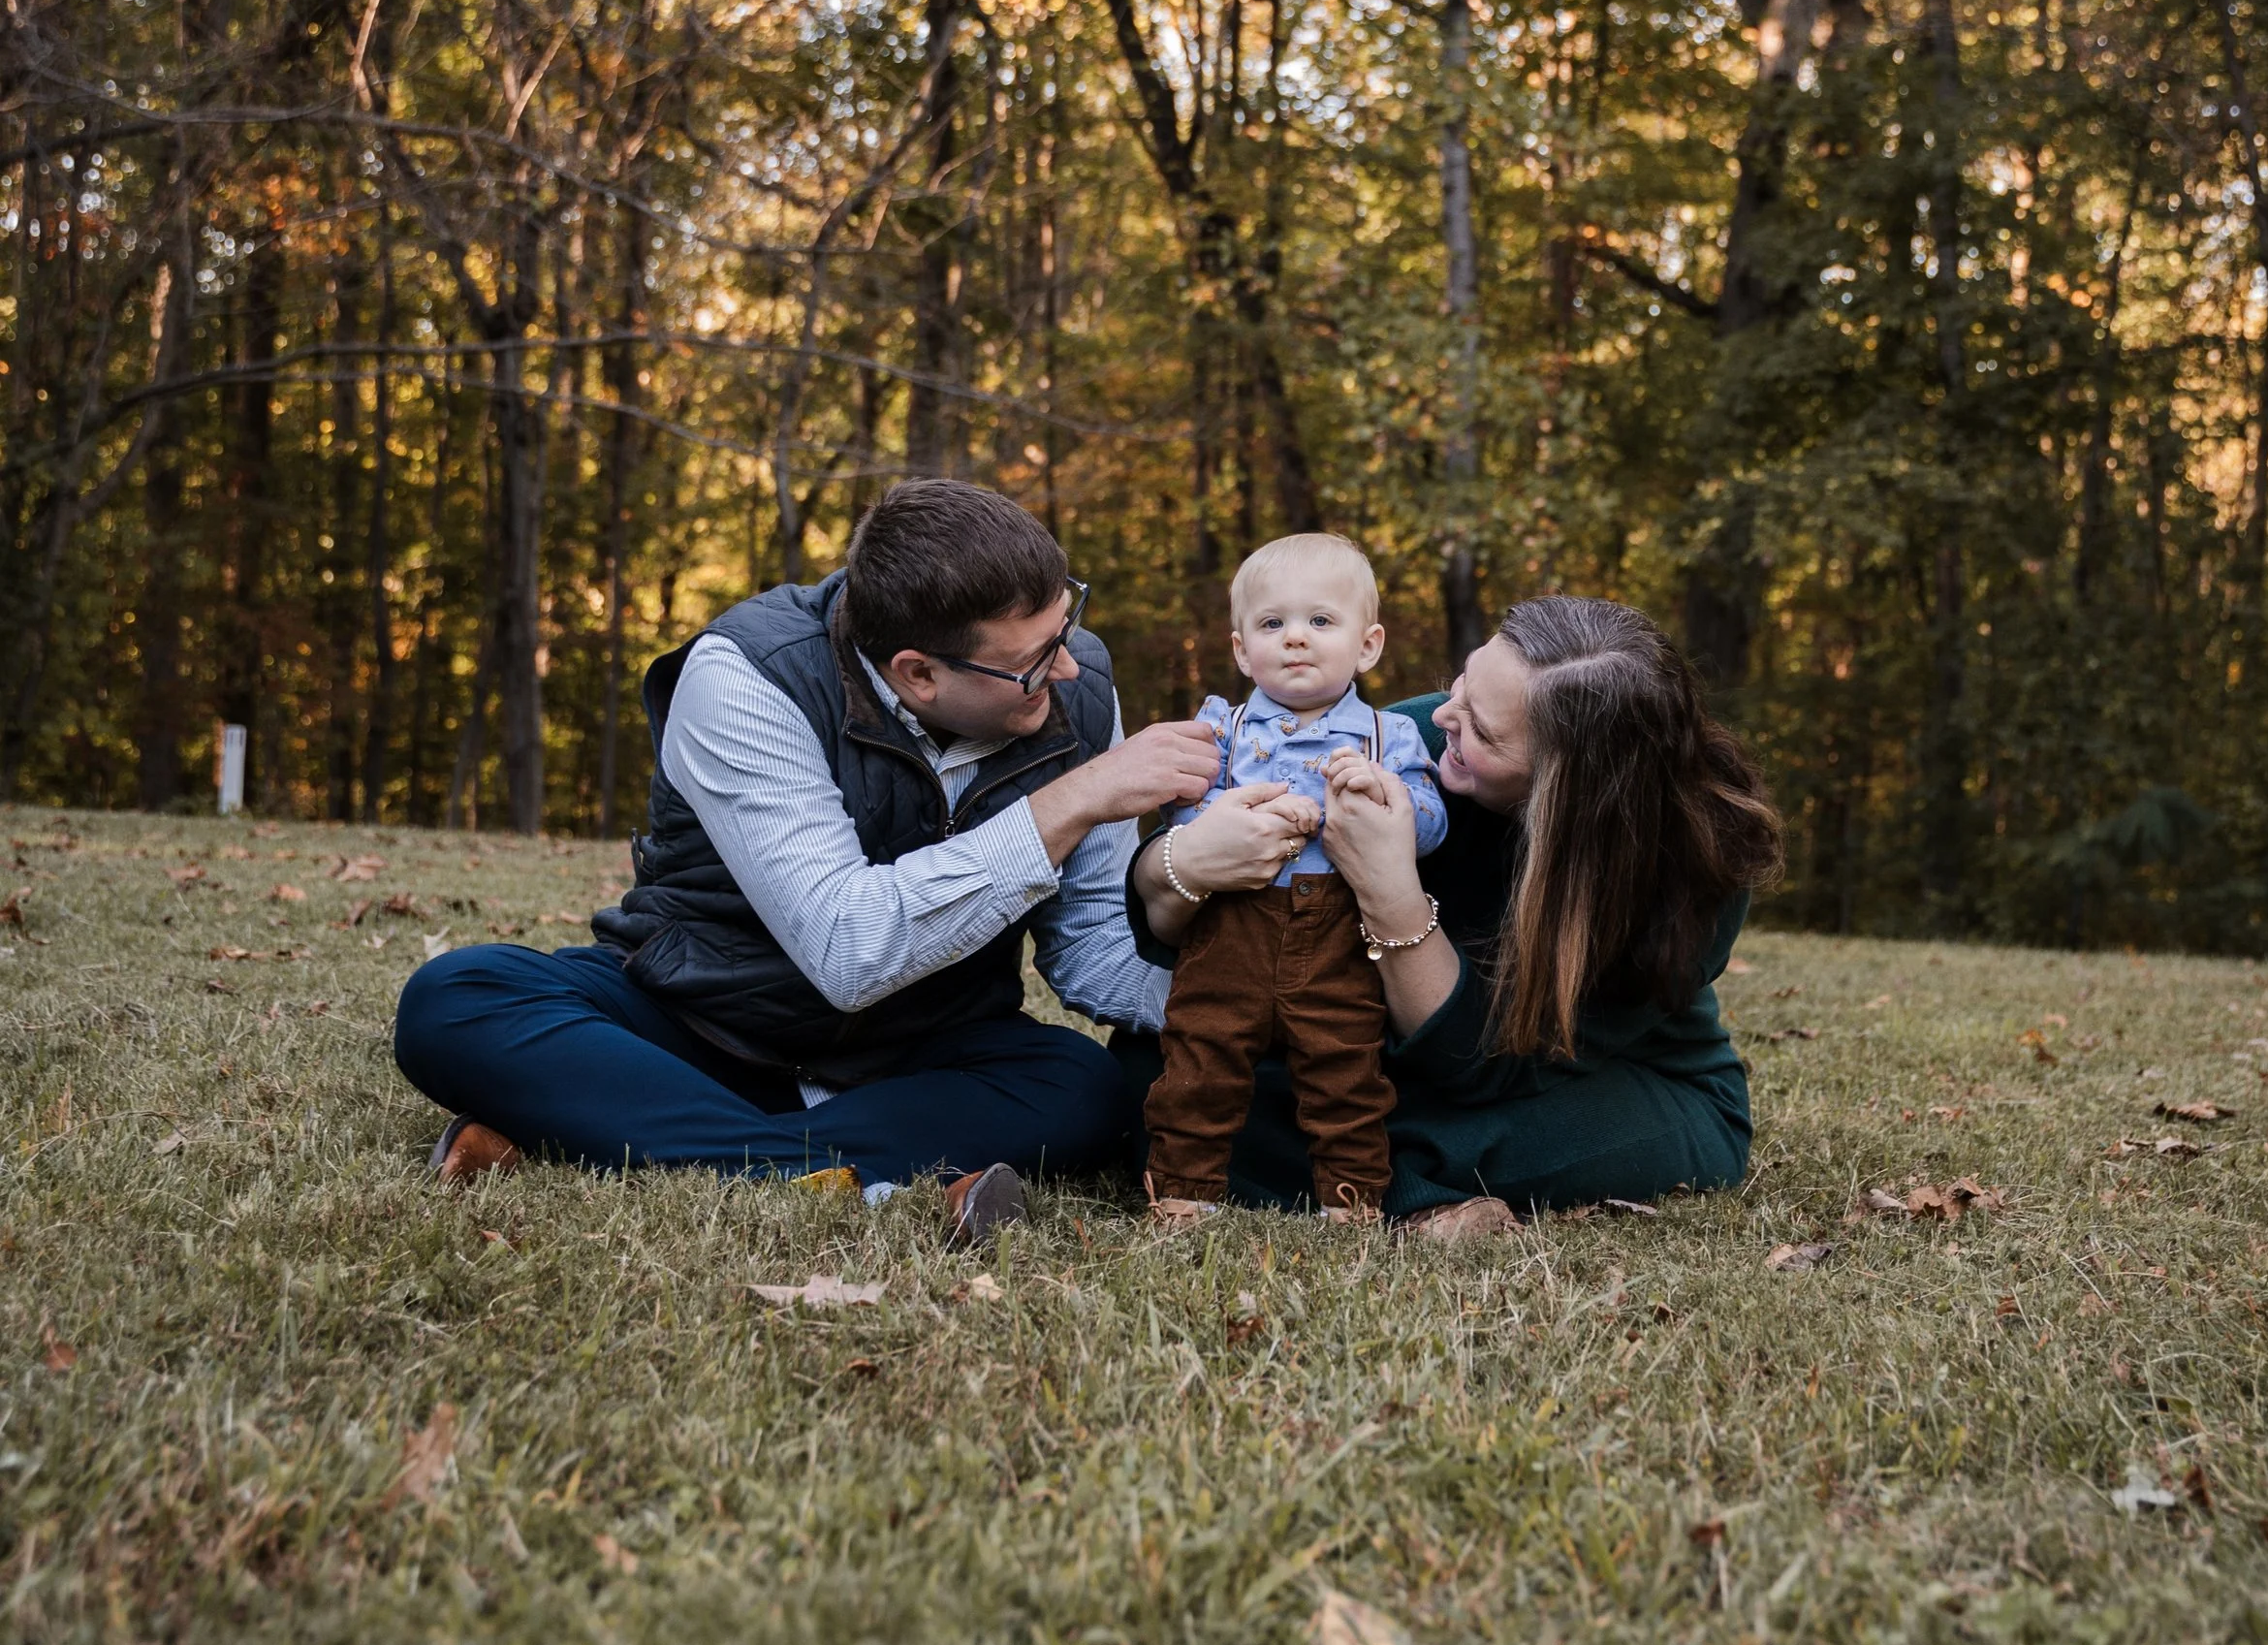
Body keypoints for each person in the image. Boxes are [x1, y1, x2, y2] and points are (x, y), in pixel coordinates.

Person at [393, 479, 1310, 1238]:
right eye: (1034, 663)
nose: (1067, 670)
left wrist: (1256, 1006)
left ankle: (616, 1131)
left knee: (1088, 1089)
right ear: (918, 672)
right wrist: (1070, 800)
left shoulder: (1079, 684)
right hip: (703, 1022)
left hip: (928, 1045)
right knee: (457, 999)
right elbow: (846, 949)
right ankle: (831, 1162)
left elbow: (1092, 949)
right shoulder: (747, 677)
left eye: (1067, 630)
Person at [1131, 594, 1781, 1235]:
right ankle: (1368, 1173)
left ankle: (1385, 1186)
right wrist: (1187, 858)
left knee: (1460, 1129)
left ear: (1567, 788)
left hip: (1587, 1079)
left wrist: (1390, 892)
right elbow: (1186, 922)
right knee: (1154, 1075)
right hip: (1364, 1051)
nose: (1445, 714)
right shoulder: (1408, 742)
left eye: (1485, 732)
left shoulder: (1697, 864)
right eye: (1462, 686)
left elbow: (1482, 1066)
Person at [1143, 532, 1447, 1224]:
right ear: (1241, 650)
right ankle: (1183, 1192)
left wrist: (1383, 796)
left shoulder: (1387, 738)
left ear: (1367, 646)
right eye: (1272, 623)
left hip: (1337, 932)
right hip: (1233, 927)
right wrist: (1226, 815)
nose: (1296, 638)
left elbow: (1431, 826)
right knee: (1200, 1053)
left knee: (1344, 1064)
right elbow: (1179, 809)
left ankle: (1351, 1200)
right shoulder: (1223, 728)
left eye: (1320, 620)